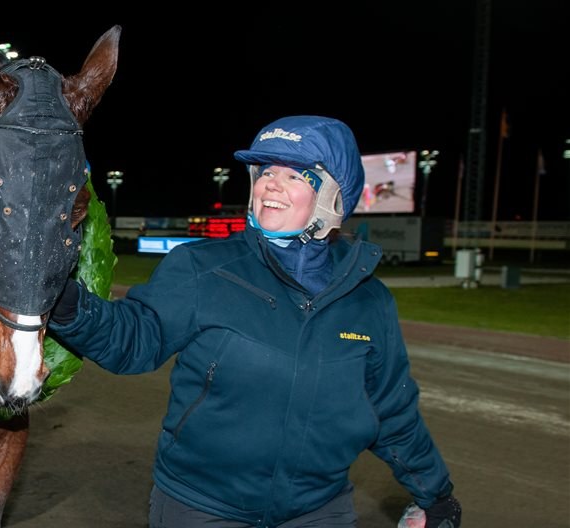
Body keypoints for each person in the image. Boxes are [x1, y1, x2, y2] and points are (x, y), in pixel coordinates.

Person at [49, 115, 461, 527]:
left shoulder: (370, 302)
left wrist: (436, 496)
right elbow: (134, 338)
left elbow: (392, 410)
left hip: (319, 512)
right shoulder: (201, 268)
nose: (271, 184)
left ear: (335, 196)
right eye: (266, 171)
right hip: (202, 508)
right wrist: (64, 300)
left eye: (296, 175)